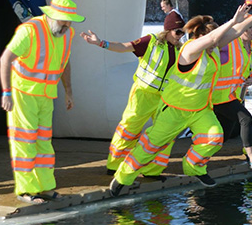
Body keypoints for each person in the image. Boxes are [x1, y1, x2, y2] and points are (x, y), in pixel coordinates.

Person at [109, 0, 252, 194]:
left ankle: (193, 166)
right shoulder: (189, 50)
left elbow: (234, 33)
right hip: (175, 110)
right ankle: (122, 177)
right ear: (201, 37)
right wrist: (233, 21)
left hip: (200, 110)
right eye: (215, 40)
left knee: (214, 137)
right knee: (149, 147)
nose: (218, 44)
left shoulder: (213, 49)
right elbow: (214, 37)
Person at [0, 0, 85, 204]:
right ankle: (26, 189)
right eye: (64, 20)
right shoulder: (30, 30)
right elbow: (5, 59)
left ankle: (45, 187)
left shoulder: (67, 33)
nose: (67, 24)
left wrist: (68, 91)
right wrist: (6, 92)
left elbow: (65, 62)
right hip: (24, 93)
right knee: (24, 141)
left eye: (70, 21)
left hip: (46, 95)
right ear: (51, 15)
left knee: (44, 143)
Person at [80, 12, 186, 176]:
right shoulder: (150, 41)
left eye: (183, 32)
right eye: (178, 32)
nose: (180, 36)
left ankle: (152, 170)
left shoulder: (181, 49)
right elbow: (124, 46)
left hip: (164, 98)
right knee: (129, 128)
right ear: (167, 30)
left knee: (164, 132)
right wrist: (101, 43)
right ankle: (115, 165)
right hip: (142, 94)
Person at [212, 4, 252, 170]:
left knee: (221, 136)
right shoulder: (229, 44)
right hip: (217, 96)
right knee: (246, 119)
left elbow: (249, 72)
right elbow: (215, 41)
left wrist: (251, 80)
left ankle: (199, 158)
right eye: (248, 27)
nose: (251, 31)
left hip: (234, 96)